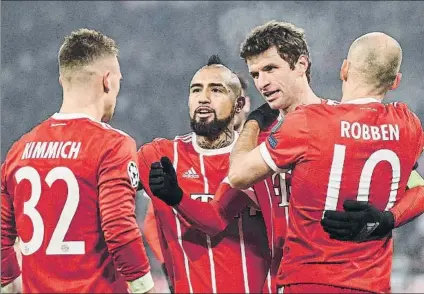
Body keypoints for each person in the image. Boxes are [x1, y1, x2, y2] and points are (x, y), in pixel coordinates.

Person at [228, 27, 424, 293]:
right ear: (395, 81)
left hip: (305, 280)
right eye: (255, 75)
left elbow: (237, 175)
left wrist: (252, 122)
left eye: (271, 69)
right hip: (365, 284)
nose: (262, 82)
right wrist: (389, 218)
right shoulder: (404, 124)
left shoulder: (308, 124)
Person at [1, 28, 154, 293]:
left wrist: (8, 287)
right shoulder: (112, 145)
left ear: (63, 80)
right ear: (108, 81)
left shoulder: (19, 150)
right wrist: (146, 289)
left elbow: (3, 238)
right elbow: (118, 228)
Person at [138, 55, 271, 293]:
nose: (203, 98)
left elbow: (214, 221)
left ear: (239, 105)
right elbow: (107, 193)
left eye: (216, 90)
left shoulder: (258, 159)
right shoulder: (159, 155)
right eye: (196, 90)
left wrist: (176, 197)